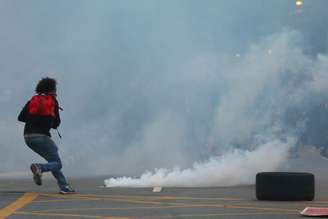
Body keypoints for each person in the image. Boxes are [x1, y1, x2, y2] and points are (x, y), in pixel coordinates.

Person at [18, 77, 75, 194]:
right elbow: (56, 123)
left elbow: (21, 117)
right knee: (57, 163)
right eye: (55, 88)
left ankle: (64, 186)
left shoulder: (32, 101)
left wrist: (34, 118)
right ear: (51, 89)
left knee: (52, 161)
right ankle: (39, 168)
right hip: (42, 137)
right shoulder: (52, 101)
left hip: (28, 137)